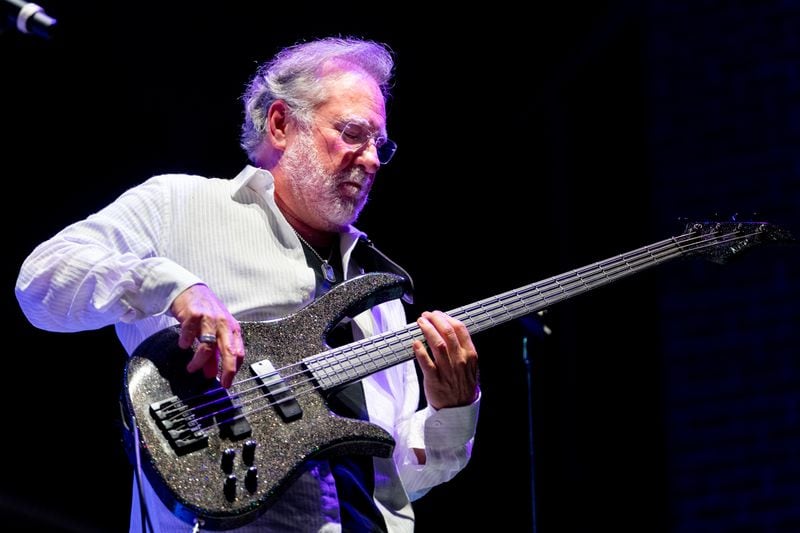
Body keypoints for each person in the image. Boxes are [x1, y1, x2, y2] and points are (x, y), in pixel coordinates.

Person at [15, 36, 480, 532]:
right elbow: (42, 281)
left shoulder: (378, 291)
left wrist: (453, 411)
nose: (369, 160)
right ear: (281, 125)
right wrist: (173, 288)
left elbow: (397, 479)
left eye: (379, 145)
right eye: (351, 134)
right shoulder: (181, 207)